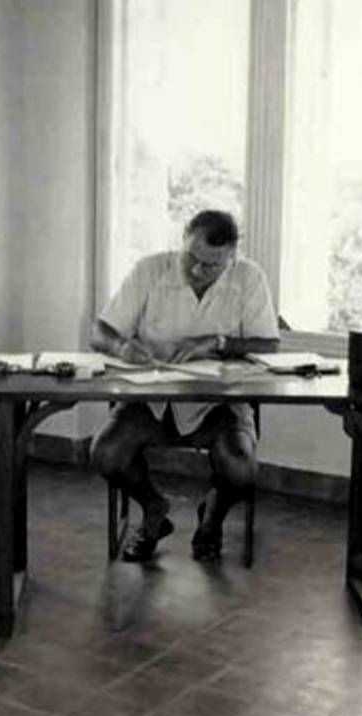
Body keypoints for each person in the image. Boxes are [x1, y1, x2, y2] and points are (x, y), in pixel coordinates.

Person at [89, 209, 280, 562]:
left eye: (211, 265)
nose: (197, 270)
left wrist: (217, 342)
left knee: (241, 469)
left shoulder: (249, 278)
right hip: (151, 400)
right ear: (182, 239)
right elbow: (99, 331)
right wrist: (121, 346)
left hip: (218, 404)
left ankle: (212, 516)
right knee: (106, 453)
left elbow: (269, 344)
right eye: (191, 257)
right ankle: (153, 509)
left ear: (230, 258)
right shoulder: (150, 270)